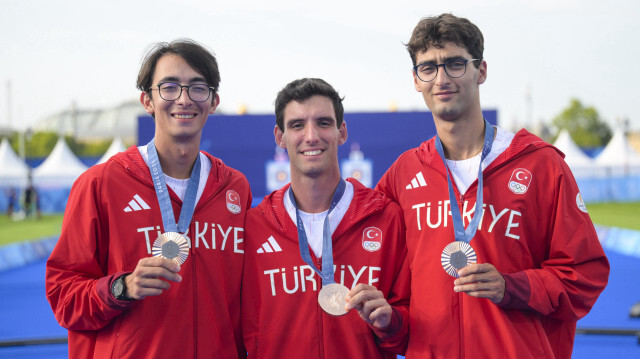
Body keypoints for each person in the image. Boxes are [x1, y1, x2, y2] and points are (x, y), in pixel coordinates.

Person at [375, 14, 610, 359]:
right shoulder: (403, 174)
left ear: (481, 70)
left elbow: (584, 274)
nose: (441, 78)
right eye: (428, 68)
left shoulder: (540, 165)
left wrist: (512, 286)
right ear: (416, 79)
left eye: (455, 64)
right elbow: (384, 278)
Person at [45, 39, 251, 359]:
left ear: (213, 101)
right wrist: (122, 288)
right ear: (147, 100)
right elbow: (63, 296)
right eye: (169, 87)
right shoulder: (99, 185)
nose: (183, 99)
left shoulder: (234, 188)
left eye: (198, 87)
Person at [242, 78, 410, 358]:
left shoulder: (385, 219)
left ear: (341, 132)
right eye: (297, 125)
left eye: (323, 122)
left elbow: (408, 330)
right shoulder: (254, 226)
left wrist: (389, 322)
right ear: (279, 137)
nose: (311, 136)